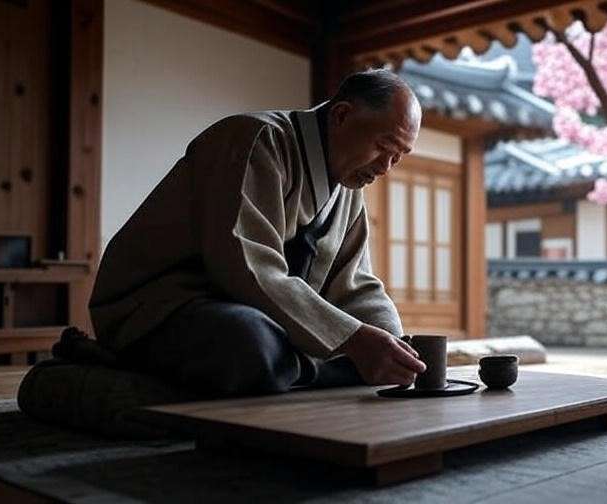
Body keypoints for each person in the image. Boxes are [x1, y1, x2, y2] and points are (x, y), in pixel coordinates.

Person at [88, 69, 427, 397]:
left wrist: (394, 342)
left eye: (397, 157)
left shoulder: (348, 186)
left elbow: (354, 283)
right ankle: (314, 369)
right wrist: (352, 339)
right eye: (384, 146)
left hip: (250, 311)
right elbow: (246, 267)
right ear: (341, 115)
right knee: (249, 342)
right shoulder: (256, 139)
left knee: (363, 349)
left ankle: (298, 369)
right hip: (159, 307)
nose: (385, 168)